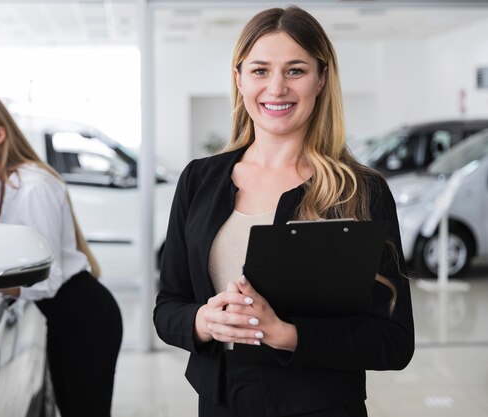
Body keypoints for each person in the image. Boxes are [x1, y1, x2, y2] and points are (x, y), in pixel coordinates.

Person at [153, 6, 414, 417]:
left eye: (295, 70)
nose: (276, 88)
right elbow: (168, 305)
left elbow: (393, 340)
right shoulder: (199, 180)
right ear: (239, 79)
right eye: (259, 70)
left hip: (321, 407)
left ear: (321, 79)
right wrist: (203, 322)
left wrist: (285, 334)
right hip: (220, 403)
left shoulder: (360, 190)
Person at [0, 92, 123, 417]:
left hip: (86, 318)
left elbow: (48, 280)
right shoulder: (1, 185)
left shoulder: (33, 187)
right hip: (63, 318)